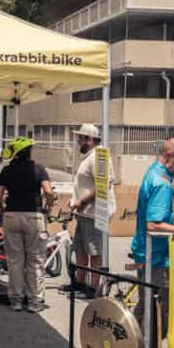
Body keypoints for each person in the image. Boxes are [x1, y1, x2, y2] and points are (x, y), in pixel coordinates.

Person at [129, 137, 174, 336]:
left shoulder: (153, 174)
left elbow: (157, 216)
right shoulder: (162, 184)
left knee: (146, 308)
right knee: (157, 317)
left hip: (149, 254)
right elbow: (154, 224)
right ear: (168, 156)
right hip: (156, 259)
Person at [0, 137, 56, 312]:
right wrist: (48, 207)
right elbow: (48, 191)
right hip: (33, 217)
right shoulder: (38, 169)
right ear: (29, 152)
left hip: (12, 216)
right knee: (35, 261)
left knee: (15, 260)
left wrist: (2, 211)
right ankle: (35, 302)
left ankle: (16, 300)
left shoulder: (7, 170)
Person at [69, 123, 108, 294]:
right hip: (84, 212)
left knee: (94, 252)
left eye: (81, 138)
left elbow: (102, 186)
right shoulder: (90, 157)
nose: (78, 141)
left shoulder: (100, 157)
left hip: (93, 213)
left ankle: (92, 288)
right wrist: (74, 200)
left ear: (90, 139)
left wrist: (82, 202)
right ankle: (79, 283)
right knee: (81, 249)